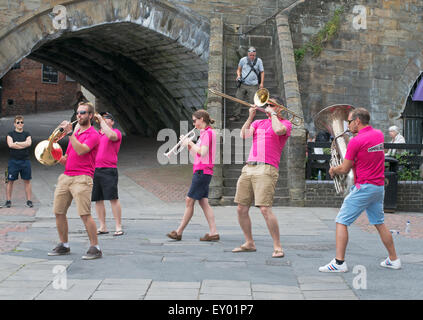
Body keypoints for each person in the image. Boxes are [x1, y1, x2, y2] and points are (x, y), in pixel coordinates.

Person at [319, 108, 401, 272]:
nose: (347, 125)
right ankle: (394, 259)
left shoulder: (356, 141)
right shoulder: (378, 134)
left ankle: (339, 263)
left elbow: (344, 168)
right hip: (378, 187)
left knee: (341, 221)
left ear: (357, 121)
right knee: (379, 223)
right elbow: (366, 157)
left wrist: (333, 170)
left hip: (364, 187)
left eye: (348, 122)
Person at [231, 97, 292, 258]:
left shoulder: (285, 123)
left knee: (265, 208)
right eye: (266, 105)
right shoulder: (258, 123)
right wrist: (250, 116)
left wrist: (273, 115)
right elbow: (244, 135)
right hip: (249, 166)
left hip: (267, 167)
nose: (267, 107)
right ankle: (249, 242)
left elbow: (279, 131)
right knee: (241, 208)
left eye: (271, 105)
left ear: (280, 108)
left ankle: (277, 246)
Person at [48, 101, 102, 260]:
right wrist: (55, 153)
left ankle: (95, 247)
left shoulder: (93, 134)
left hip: (83, 178)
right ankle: (64, 244)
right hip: (66, 176)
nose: (79, 115)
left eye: (83, 113)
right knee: (58, 212)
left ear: (90, 116)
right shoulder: (76, 134)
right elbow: (68, 158)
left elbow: (81, 150)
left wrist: (70, 134)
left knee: (84, 214)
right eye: (78, 113)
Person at [167, 110, 219, 241]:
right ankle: (213, 232)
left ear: (201, 119)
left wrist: (189, 143)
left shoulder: (207, 133)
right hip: (202, 169)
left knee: (189, 200)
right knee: (203, 203)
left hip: (203, 171)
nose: (194, 123)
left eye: (195, 120)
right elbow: (196, 154)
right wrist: (188, 146)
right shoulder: (204, 134)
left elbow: (202, 152)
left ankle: (178, 232)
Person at [92, 112, 124, 236]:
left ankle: (118, 226)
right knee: (97, 199)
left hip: (109, 169)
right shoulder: (96, 134)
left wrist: (100, 119)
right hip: (95, 169)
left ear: (112, 122)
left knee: (113, 198)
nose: (104, 121)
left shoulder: (116, 132)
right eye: (102, 119)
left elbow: (111, 136)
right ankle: (102, 226)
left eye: (106, 119)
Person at [4, 115, 33, 208]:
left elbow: (29, 143)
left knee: (27, 181)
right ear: (14, 124)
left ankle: (29, 200)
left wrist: (17, 143)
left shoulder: (27, 133)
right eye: (18, 122)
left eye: (21, 122)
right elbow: (10, 145)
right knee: (10, 181)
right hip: (13, 161)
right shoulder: (10, 134)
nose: (20, 124)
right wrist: (22, 145)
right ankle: (8, 200)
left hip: (25, 161)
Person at [229, 47, 265, 121]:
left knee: (252, 102)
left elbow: (262, 72)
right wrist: (238, 76)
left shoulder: (259, 61)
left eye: (253, 55)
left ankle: (251, 117)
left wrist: (261, 83)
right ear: (248, 54)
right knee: (238, 99)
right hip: (243, 84)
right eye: (250, 55)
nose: (251, 56)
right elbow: (239, 69)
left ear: (255, 54)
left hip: (253, 85)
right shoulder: (243, 60)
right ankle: (236, 115)